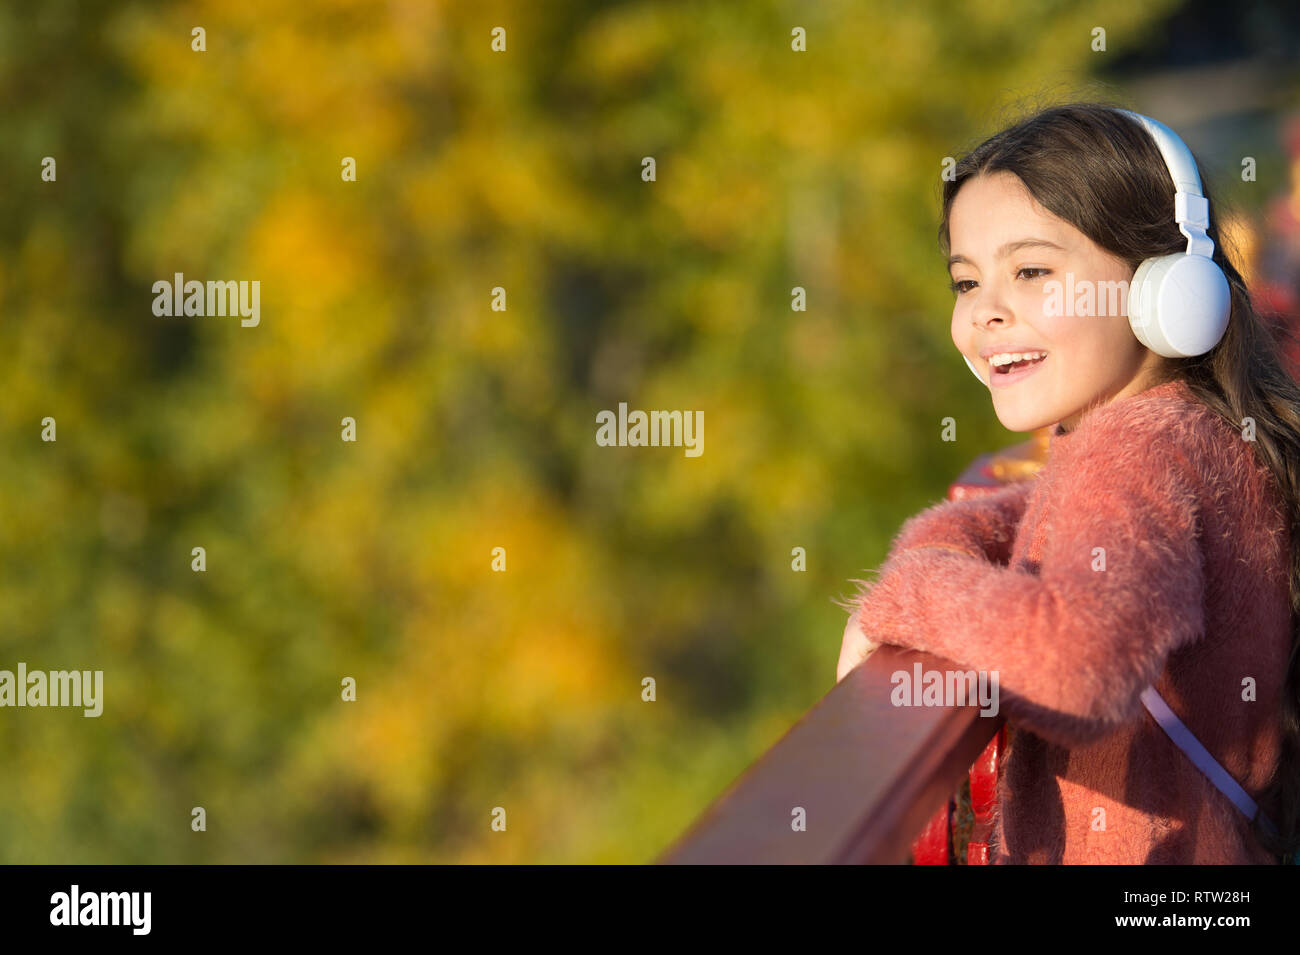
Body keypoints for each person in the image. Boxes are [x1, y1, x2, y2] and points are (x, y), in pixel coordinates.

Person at [837, 102, 1300, 864]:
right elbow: (1046, 510)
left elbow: (1076, 665)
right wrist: (941, 543)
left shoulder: (1133, 452)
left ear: (1165, 288)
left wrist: (909, 595)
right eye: (965, 282)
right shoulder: (1195, 428)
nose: (985, 312)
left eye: (1030, 271)